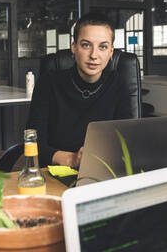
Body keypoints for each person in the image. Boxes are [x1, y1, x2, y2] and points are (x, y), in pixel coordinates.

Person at [26, 13, 132, 168]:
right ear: (74, 48)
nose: (94, 55)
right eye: (86, 45)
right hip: (56, 173)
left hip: (105, 171)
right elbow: (33, 144)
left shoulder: (118, 83)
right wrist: (72, 159)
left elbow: (126, 140)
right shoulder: (49, 83)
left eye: (102, 47)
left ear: (111, 52)